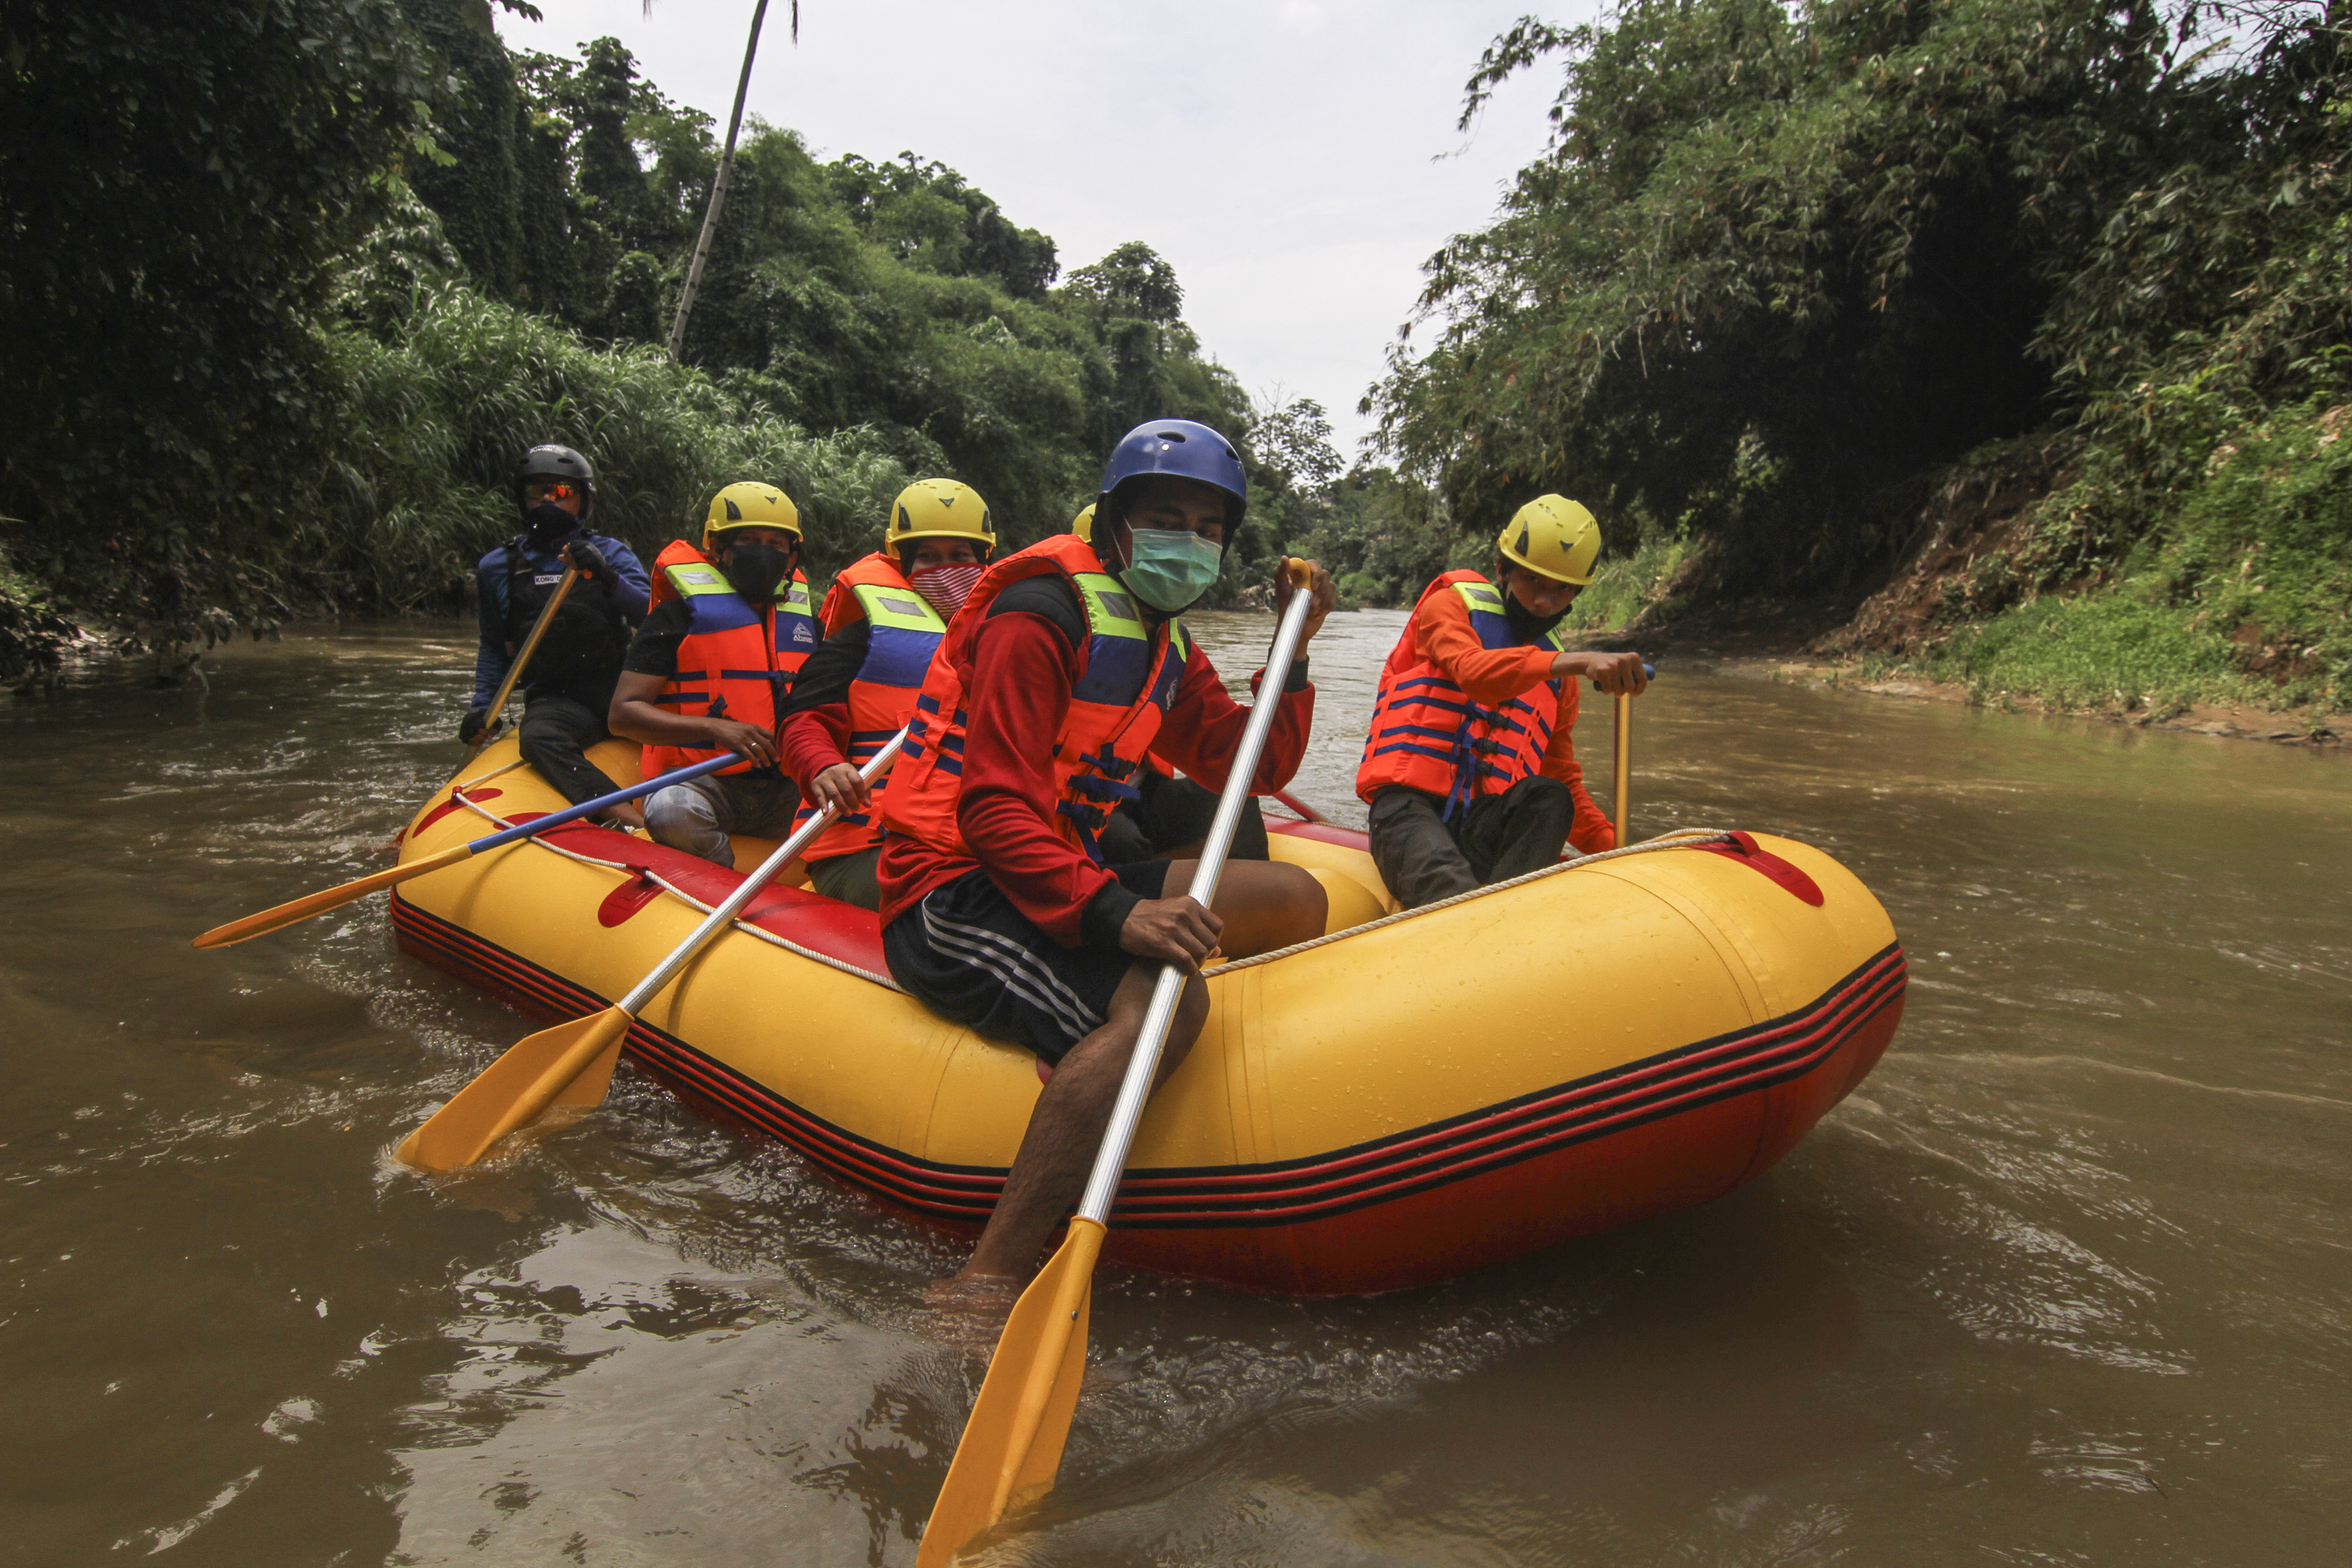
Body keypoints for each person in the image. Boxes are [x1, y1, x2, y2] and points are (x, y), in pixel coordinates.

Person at [878, 419, 1338, 1287]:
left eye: (1208, 529)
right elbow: (992, 810)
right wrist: (1120, 914)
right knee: (1170, 1001)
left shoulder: (1163, 640)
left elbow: (1254, 766)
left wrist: (1295, 651)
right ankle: (986, 1277)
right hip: (952, 889)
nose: (1188, 542)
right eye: (1166, 520)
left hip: (1057, 868)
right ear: (1117, 523)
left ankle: (1244, 1086)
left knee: (1295, 898)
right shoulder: (1038, 614)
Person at [1355, 494, 1649, 910]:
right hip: (1405, 811)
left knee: (1551, 796)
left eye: (1563, 589)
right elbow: (1472, 672)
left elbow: (1563, 777)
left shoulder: (1559, 679)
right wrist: (1580, 660)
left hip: (1483, 826)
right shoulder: (1448, 607)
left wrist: (1625, 849)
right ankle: (1477, 912)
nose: (1545, 601)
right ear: (1502, 570)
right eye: (1533, 581)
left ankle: (1504, 909)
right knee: (1449, 889)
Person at [773, 479, 998, 911]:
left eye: (960, 556)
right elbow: (803, 719)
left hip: (964, 843)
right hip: (865, 841)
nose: (945, 570)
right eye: (928, 557)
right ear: (903, 563)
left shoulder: (1006, 639)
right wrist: (823, 764)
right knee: (962, 909)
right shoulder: (860, 639)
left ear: (983, 560)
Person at [606, 483, 820, 868]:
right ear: (720, 550)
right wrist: (715, 728)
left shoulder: (808, 628)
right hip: (702, 781)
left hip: (785, 789)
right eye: (749, 540)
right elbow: (623, 714)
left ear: (791, 558)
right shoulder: (675, 618)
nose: (763, 552)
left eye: (775, 544)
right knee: (671, 812)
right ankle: (722, 886)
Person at [1071, 501, 1274, 864]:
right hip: (1068, 798)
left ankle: (1214, 887)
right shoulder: (1060, 629)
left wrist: (1294, 652)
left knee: (1238, 799)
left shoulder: (1172, 646)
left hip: (1139, 791)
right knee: (1122, 843)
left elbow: (1244, 755)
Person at [465, 444, 651, 825]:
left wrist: (606, 576)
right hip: (558, 699)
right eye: (538, 491)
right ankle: (623, 818)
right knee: (537, 739)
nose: (549, 499)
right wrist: (483, 707)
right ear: (522, 499)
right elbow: (494, 645)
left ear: (584, 500)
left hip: (620, 692)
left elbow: (651, 617)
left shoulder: (611, 554)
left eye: (562, 491)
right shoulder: (498, 567)